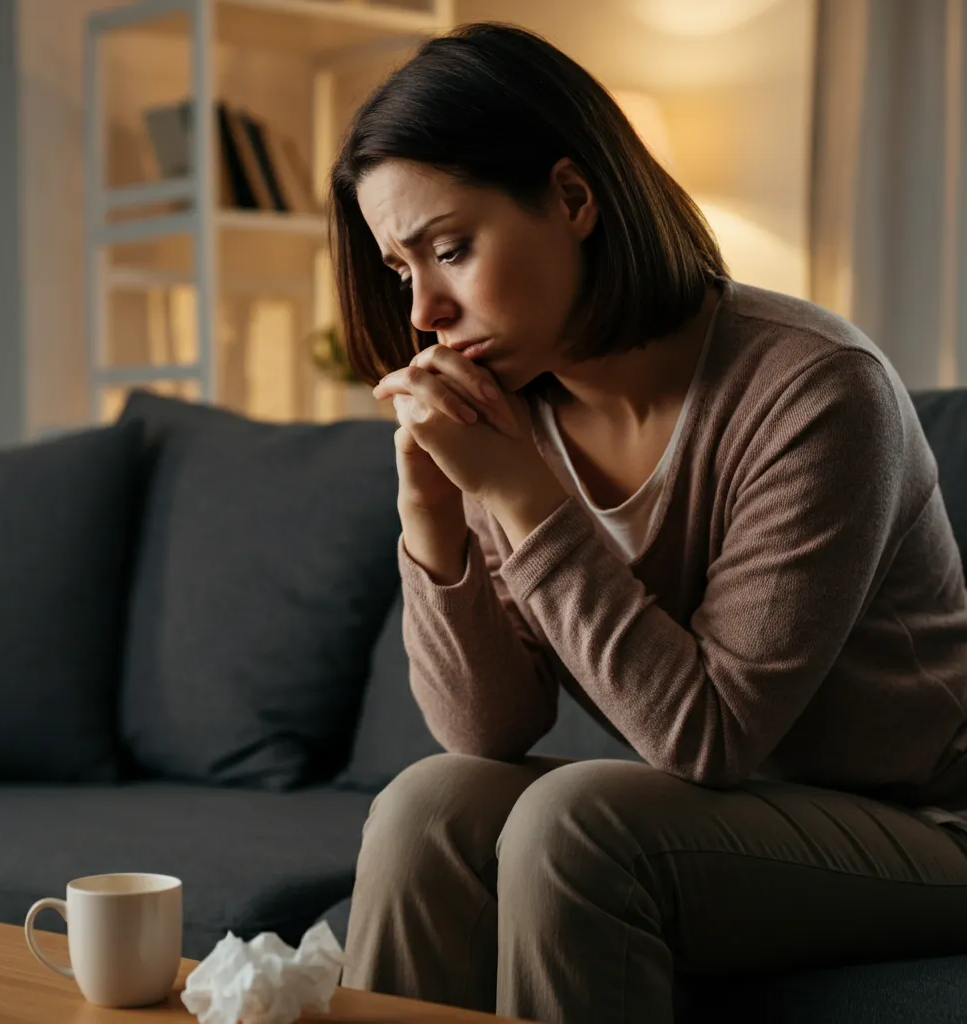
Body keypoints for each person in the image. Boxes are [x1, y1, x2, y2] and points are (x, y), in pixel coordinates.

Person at [325, 20, 967, 1024]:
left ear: (573, 199)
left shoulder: (815, 391)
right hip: (731, 815)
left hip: (920, 823)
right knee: (429, 802)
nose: (422, 315)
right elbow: (485, 730)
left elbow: (710, 737)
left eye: (450, 248)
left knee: (574, 825)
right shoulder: (517, 408)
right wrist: (432, 514)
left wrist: (522, 499)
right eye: (403, 270)